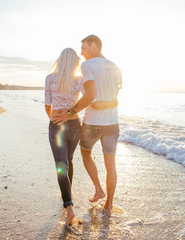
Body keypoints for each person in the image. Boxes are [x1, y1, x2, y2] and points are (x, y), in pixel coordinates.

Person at [45, 47, 117, 226]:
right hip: (75, 125)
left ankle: (69, 207)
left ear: (60, 60)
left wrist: (55, 118)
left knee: (61, 164)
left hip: (56, 125)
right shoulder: (78, 81)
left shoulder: (50, 78)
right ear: (75, 63)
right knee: (68, 161)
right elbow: (89, 100)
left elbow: (47, 105)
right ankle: (68, 195)